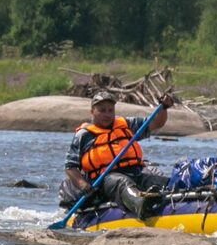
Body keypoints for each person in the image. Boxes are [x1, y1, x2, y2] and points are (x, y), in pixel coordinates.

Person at [60, 90, 175, 218]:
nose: (107, 114)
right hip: (106, 180)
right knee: (121, 181)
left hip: (135, 173)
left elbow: (157, 123)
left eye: (110, 110)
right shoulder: (84, 135)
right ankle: (140, 204)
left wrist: (163, 108)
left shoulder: (126, 124)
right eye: (102, 110)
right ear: (92, 112)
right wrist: (83, 185)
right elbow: (70, 167)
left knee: (163, 182)